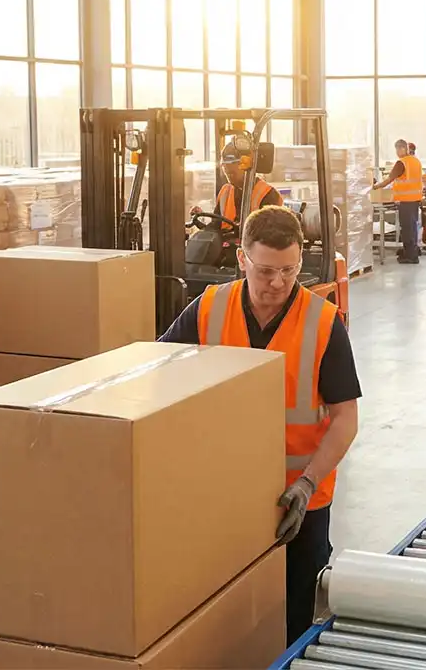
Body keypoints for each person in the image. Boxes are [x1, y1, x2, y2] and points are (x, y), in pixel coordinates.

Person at [158, 205, 361, 645]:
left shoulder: (323, 322)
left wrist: (307, 485)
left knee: (295, 617)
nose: (278, 283)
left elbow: (345, 417)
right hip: (223, 494)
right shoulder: (208, 309)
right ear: (242, 260)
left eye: (289, 270)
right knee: (223, 613)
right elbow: (158, 372)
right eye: (266, 271)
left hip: (300, 499)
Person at [371, 138, 423, 264]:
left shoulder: (401, 163)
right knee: (412, 227)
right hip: (415, 199)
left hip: (405, 201)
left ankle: (410, 256)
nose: (397, 151)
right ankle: (412, 251)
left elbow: (389, 179)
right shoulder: (416, 161)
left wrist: (375, 187)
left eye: (398, 148)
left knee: (407, 228)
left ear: (403, 149)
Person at [214, 144, 283, 232]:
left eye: (234, 163)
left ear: (249, 164)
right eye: (224, 164)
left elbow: (270, 234)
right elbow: (215, 224)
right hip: (225, 243)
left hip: (253, 244)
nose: (227, 168)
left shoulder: (268, 194)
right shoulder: (225, 192)